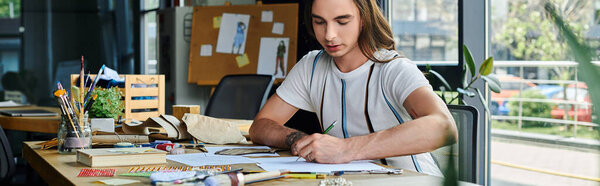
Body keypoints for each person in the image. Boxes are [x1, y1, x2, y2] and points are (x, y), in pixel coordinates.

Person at [249, 0, 457, 176]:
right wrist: (299, 140)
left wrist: (345, 149)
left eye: (342, 21)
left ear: (364, 19)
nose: (329, 35)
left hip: (413, 180)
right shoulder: (310, 66)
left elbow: (444, 128)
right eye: (319, 22)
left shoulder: (393, 69)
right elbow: (260, 126)